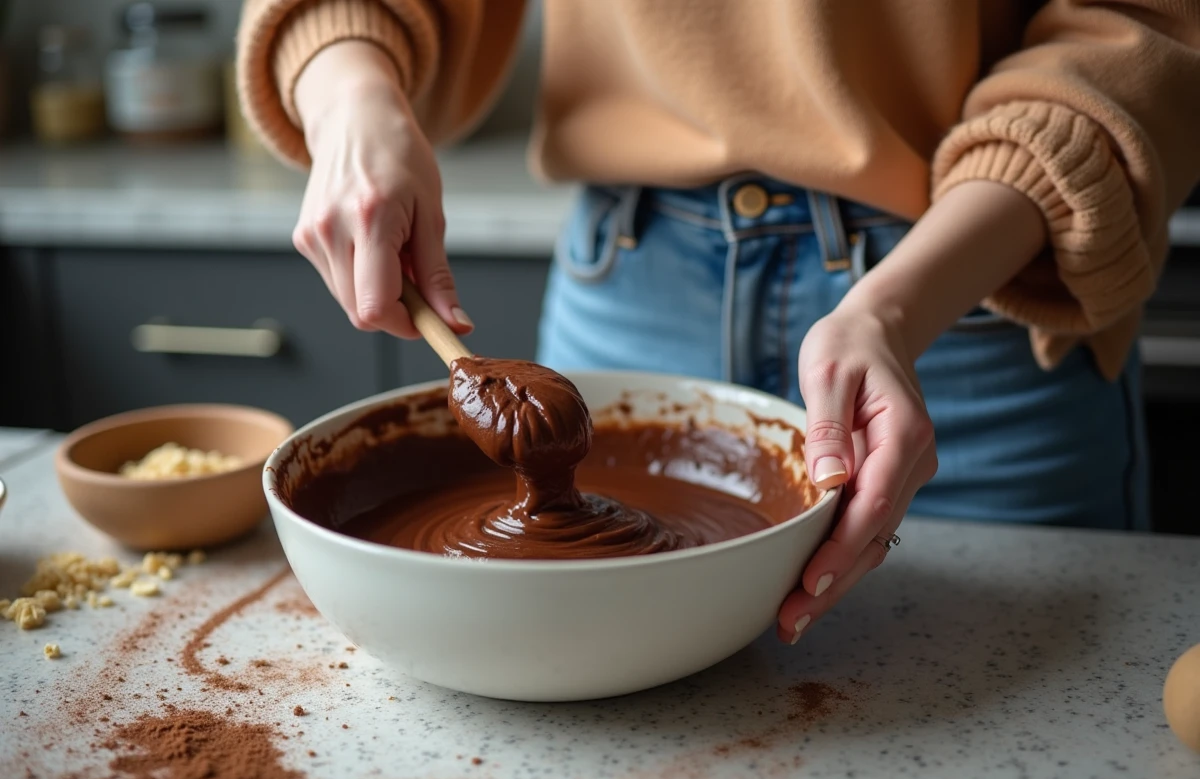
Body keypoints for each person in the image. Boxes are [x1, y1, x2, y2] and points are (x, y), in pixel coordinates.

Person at [237, 0, 1200, 644]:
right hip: (631, 278)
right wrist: (354, 101)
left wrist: (893, 310)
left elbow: (1140, 30)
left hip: (964, 291)